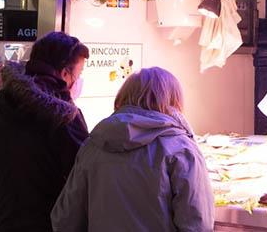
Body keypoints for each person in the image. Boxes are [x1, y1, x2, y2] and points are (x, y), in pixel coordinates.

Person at [51, 67, 214, 232]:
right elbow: (197, 224)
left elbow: (65, 220)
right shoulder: (181, 148)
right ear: (174, 101)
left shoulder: (93, 146)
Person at [0, 32, 90, 232]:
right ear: (64, 74)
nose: (77, 82)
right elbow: (85, 183)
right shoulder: (66, 117)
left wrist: (7, 214)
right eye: (77, 75)